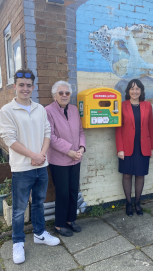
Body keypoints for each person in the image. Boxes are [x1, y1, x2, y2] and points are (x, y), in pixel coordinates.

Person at [0, 68, 60, 264]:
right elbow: (9, 139)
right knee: (18, 209)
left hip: (41, 165)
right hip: (22, 168)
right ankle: (17, 242)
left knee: (39, 203)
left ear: (33, 87)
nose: (25, 89)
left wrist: (41, 155)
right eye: (21, 85)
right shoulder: (7, 111)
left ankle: (40, 233)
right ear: (14, 87)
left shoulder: (39, 109)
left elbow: (47, 132)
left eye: (28, 85)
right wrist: (33, 155)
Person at [46, 81, 85, 237]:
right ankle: (59, 224)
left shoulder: (74, 110)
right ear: (54, 95)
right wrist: (69, 151)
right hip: (59, 160)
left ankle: (70, 220)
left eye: (67, 93)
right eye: (61, 93)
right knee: (62, 192)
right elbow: (50, 136)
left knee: (73, 190)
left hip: (76, 158)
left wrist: (81, 148)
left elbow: (81, 131)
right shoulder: (48, 111)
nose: (64, 96)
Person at [115, 79, 153, 216]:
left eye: (137, 88)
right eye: (132, 88)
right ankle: (128, 203)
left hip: (143, 146)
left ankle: (137, 203)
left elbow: (150, 127)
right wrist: (120, 148)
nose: (135, 91)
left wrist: (151, 147)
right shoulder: (122, 105)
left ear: (141, 91)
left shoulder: (147, 105)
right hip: (126, 147)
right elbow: (118, 129)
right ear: (128, 91)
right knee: (127, 174)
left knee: (140, 174)